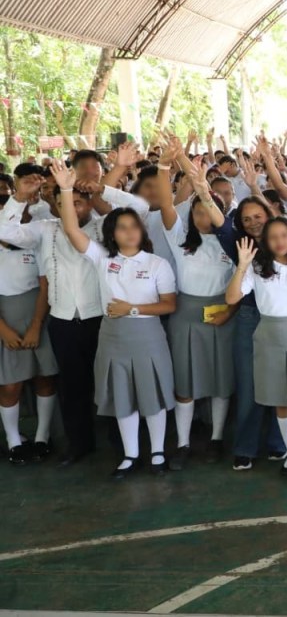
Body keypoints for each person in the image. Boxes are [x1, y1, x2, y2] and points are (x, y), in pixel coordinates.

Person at [52, 159, 178, 479]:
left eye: (133, 227)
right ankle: (131, 455)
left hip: (148, 335)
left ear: (141, 230)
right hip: (112, 337)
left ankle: (158, 453)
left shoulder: (156, 264)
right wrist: (66, 188)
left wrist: (132, 309)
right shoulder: (102, 257)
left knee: (152, 395)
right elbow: (70, 228)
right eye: (121, 227)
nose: (129, 232)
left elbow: (168, 305)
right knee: (123, 396)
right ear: (112, 233)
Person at [151, 144, 237, 470]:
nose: (203, 217)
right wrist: (164, 166)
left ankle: (216, 438)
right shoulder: (179, 239)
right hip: (186, 316)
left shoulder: (229, 239)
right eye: (198, 211)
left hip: (221, 315)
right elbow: (164, 204)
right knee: (185, 383)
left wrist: (229, 312)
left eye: (210, 210)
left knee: (219, 379)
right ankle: (184, 443)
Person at [226, 219, 287, 490]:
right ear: (265, 243)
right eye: (273, 237)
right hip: (268, 336)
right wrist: (242, 266)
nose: (280, 241)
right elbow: (232, 298)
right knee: (280, 401)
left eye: (284, 235)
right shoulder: (257, 269)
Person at [215, 194, 287, 470]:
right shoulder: (240, 246)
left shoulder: (286, 243)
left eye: (258, 216)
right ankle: (245, 447)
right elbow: (220, 224)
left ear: (269, 215)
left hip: (281, 319)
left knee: (280, 383)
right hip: (249, 319)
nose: (253, 223)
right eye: (246, 219)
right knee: (249, 385)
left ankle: (279, 443)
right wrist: (199, 185)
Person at [0, 223, 59, 465]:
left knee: (44, 378)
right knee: (10, 385)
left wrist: (36, 325)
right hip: (6, 323)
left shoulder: (33, 242)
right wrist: (3, 331)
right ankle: (14, 440)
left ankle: (42, 436)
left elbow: (45, 285)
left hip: (38, 315)